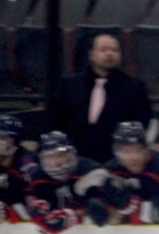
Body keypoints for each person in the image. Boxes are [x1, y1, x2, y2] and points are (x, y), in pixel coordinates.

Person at [49, 33, 152, 164]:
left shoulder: (134, 88)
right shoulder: (69, 86)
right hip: (72, 159)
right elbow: (55, 122)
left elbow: (139, 124)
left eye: (115, 50)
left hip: (116, 161)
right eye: (103, 50)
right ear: (91, 55)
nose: (109, 54)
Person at [24, 131, 107, 234]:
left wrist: (78, 214)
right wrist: (36, 211)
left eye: (61, 154)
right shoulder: (38, 178)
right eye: (51, 157)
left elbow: (103, 209)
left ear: (72, 154)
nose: (58, 162)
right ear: (42, 159)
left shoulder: (90, 170)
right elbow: (31, 204)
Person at [101, 121, 159, 225]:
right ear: (116, 153)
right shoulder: (110, 170)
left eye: (138, 150)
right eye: (125, 152)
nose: (133, 157)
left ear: (147, 149)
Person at [0, 115, 39, 224]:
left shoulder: (27, 161)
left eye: (2, 137)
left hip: (22, 221)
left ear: (14, 141)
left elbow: (34, 192)